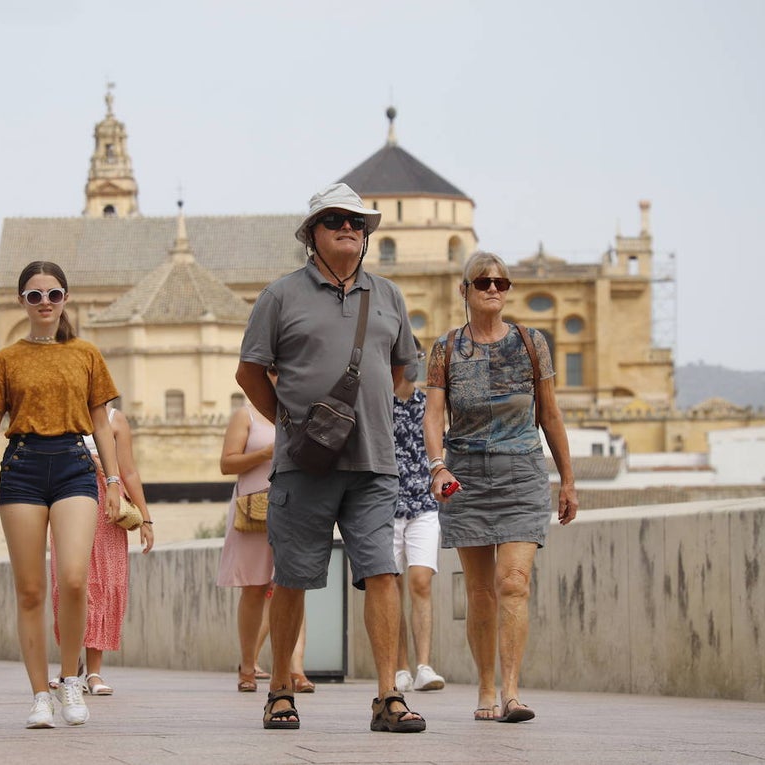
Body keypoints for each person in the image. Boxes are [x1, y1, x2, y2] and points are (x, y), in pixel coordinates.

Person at [236, 182, 425, 733]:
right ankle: (279, 692)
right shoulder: (280, 296)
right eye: (337, 219)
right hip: (304, 464)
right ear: (312, 234)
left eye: (358, 222)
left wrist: (374, 416)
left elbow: (403, 371)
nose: (350, 227)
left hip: (374, 464)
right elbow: (250, 372)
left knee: (382, 573)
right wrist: (293, 426)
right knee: (293, 577)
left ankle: (389, 694)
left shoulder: (388, 296)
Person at [423, 251, 578, 723]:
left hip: (522, 472)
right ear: (465, 290)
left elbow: (549, 413)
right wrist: (436, 467)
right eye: (484, 282)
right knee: (480, 592)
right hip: (465, 475)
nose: (494, 289)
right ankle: (485, 689)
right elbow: (433, 415)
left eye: (502, 283)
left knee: (513, 583)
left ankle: (512, 692)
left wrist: (567, 479)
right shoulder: (445, 349)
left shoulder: (532, 343)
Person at [0, 260, 121, 729]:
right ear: (21, 302)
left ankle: (70, 679)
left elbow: (101, 424)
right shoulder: (6, 359)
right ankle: (39, 694)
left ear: (65, 298)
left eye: (53, 294)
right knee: (31, 590)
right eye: (34, 296)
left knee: (75, 577)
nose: (44, 303)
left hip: (75, 464)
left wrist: (114, 483)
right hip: (22, 467)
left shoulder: (86, 354)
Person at [50, 404, 154, 696]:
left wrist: (145, 518)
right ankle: (70, 666)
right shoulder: (62, 411)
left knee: (104, 585)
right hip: (67, 497)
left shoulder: (114, 419)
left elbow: (129, 471)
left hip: (108, 506)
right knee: (67, 585)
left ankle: (94, 671)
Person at [217, 390, 312, 694]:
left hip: (295, 502)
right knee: (254, 588)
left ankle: (295, 668)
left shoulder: (302, 410)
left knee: (294, 583)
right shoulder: (246, 415)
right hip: (254, 508)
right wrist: (267, 452)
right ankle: (247, 665)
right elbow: (227, 464)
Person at [391, 339, 446, 694]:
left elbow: (444, 451)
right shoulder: (375, 404)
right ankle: (399, 667)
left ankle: (424, 665)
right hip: (384, 507)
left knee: (421, 582)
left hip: (424, 505)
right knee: (390, 589)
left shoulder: (430, 406)